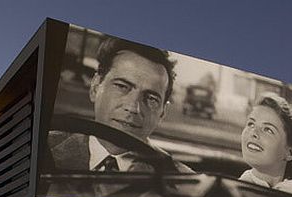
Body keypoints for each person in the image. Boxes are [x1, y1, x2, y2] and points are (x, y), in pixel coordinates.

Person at [49, 36, 193, 174]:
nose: (133, 108)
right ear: (95, 87)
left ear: (162, 113)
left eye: (151, 98)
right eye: (122, 86)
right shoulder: (44, 147)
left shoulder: (183, 184)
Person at [238, 93, 292, 197]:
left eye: (268, 129)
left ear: (289, 152)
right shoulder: (236, 188)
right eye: (251, 124)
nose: (253, 133)